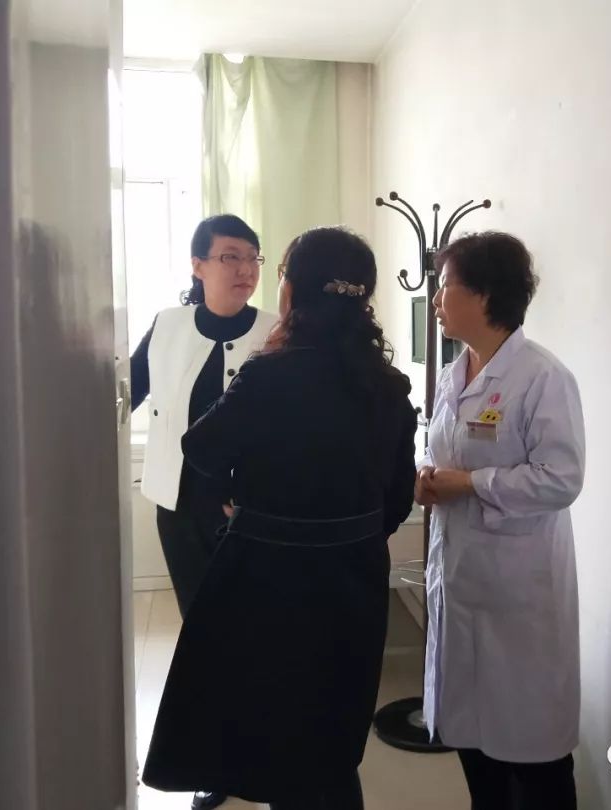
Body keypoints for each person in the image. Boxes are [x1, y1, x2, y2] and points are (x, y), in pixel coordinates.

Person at [141, 227, 418, 809]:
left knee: (274, 721)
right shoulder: (389, 386)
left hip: (270, 579)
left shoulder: (270, 373)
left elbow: (201, 447)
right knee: (332, 725)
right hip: (354, 580)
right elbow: (397, 499)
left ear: (293, 291)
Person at [416, 232, 586, 810]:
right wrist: (427, 476)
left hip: (519, 593)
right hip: (460, 578)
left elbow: (561, 478)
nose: (436, 300)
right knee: (472, 741)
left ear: (485, 295)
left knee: (534, 756)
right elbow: (442, 451)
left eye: (445, 287)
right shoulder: (455, 373)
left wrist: (470, 484)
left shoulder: (542, 377)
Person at [129, 213, 276, 810]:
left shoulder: (276, 331)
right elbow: (128, 390)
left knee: (252, 633)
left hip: (251, 514)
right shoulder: (167, 325)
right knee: (204, 633)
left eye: (252, 257)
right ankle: (220, 761)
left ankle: (260, 750)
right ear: (198, 265)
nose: (245, 269)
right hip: (180, 507)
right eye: (229, 256)